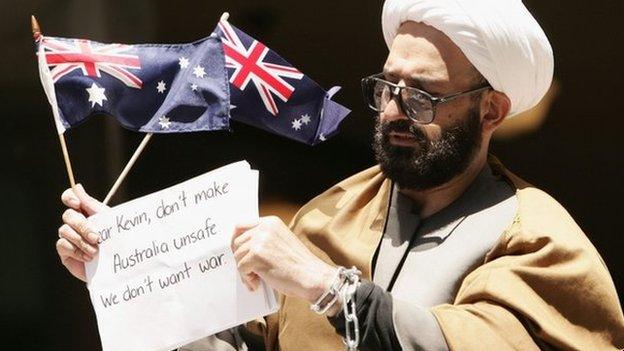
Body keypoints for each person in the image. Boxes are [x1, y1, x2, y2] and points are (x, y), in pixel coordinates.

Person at [56, 0, 624, 350]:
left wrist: (329, 289)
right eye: (389, 88)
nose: (397, 110)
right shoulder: (332, 214)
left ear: (491, 111)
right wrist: (125, 271)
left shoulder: (535, 238)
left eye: (424, 95)